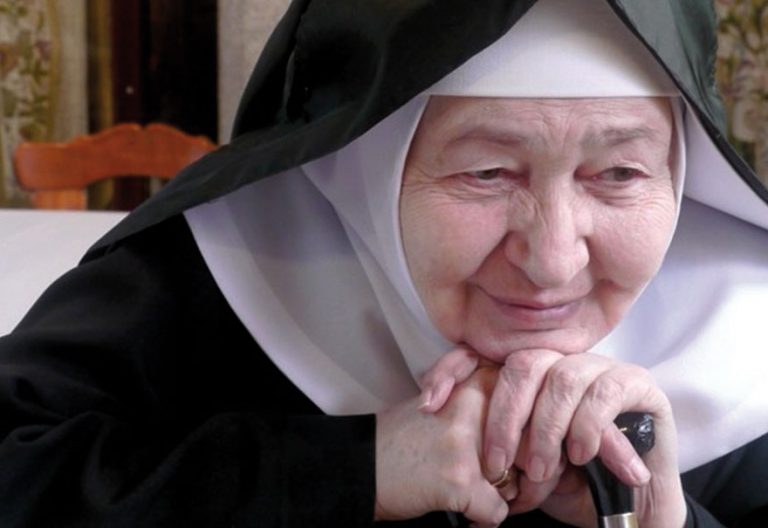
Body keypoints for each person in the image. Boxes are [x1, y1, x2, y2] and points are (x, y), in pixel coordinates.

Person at [1, 0, 767, 526]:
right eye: (487, 173)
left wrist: (656, 517)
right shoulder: (216, 274)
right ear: (364, 164)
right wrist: (355, 469)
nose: (552, 260)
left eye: (621, 173)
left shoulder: (740, 340)